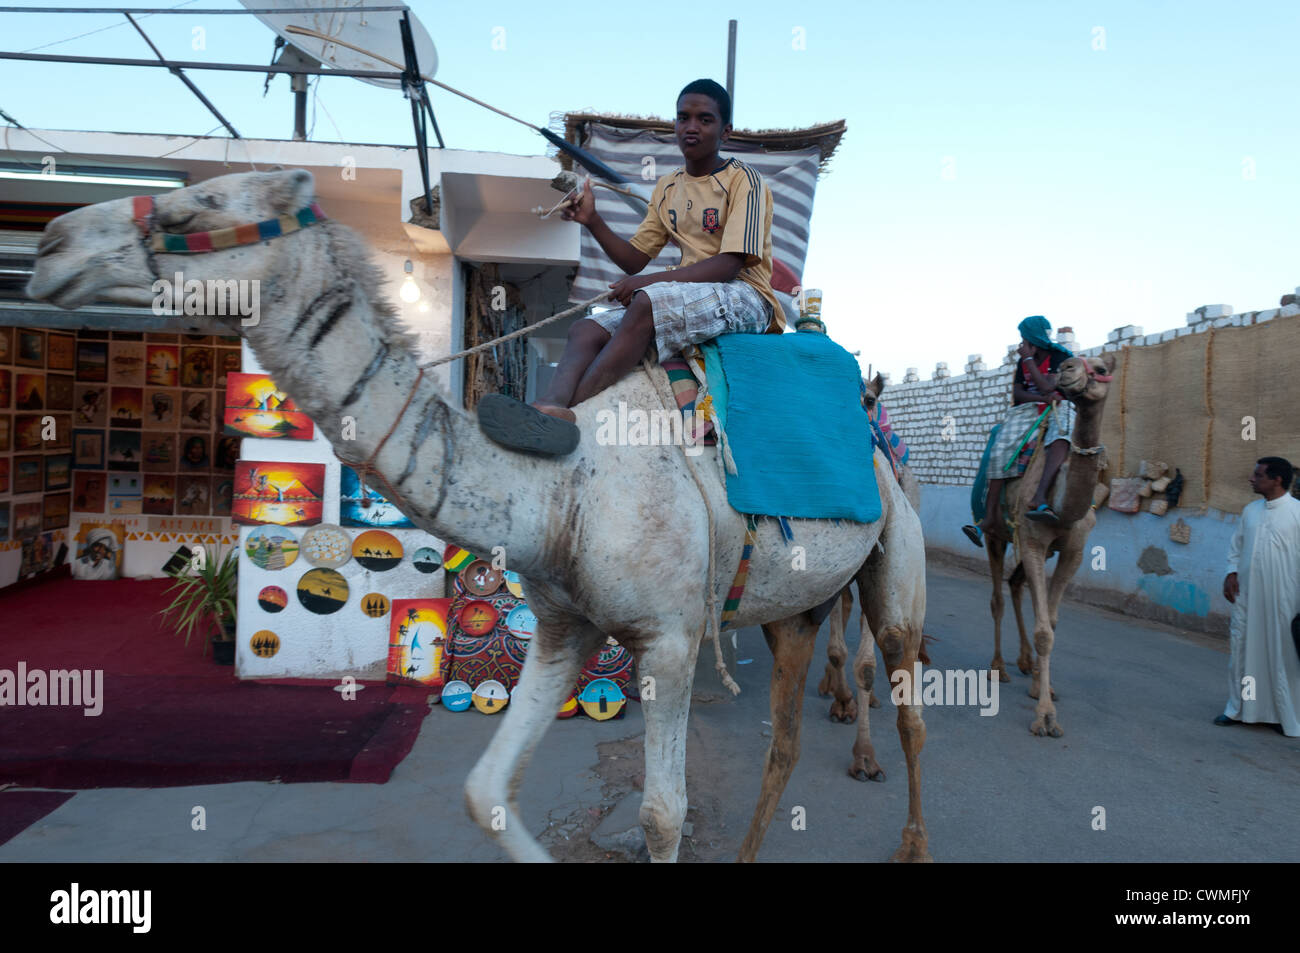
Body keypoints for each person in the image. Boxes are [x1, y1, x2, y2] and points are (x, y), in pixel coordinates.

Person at [476, 78, 783, 455]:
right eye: (683, 118)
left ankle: (575, 413)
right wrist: (592, 220)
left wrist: (648, 283)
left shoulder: (745, 181)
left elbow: (729, 265)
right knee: (585, 328)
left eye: (705, 119)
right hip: (691, 290)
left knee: (645, 303)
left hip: (747, 295)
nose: (691, 127)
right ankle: (549, 406)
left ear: (726, 130)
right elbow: (634, 258)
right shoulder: (668, 188)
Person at [962, 315, 1075, 547]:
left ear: (1032, 339)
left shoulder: (1060, 356)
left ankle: (1040, 496)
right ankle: (990, 517)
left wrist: (1030, 361)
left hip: (1059, 407)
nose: (1021, 343)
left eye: (1024, 338)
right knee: (1000, 450)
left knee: (1061, 438)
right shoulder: (1022, 363)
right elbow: (1019, 395)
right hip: (1028, 409)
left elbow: (1049, 385)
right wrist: (1040, 395)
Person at [1216, 457, 1300, 736]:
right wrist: (1231, 573)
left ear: (1277, 480)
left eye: (1258, 475)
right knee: (1243, 649)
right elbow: (1236, 547)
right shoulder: (1250, 511)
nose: (1252, 479)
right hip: (1247, 596)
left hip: (1284, 600)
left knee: (1281, 654)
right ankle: (1238, 708)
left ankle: (1280, 713)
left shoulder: (1297, 513)